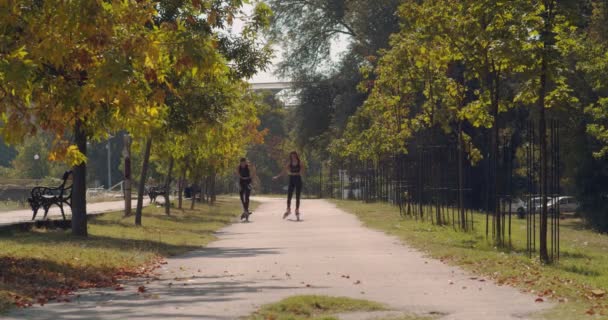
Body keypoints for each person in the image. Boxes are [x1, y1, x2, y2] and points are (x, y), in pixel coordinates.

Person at [273, 151, 304, 220]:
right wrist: (277, 176)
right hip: (291, 180)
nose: (293, 157)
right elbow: (284, 171)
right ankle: (288, 209)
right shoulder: (289, 163)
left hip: (298, 180)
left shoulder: (300, 163)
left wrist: (295, 173)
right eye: (291, 156)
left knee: (297, 196)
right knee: (289, 196)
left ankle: (297, 210)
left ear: (296, 156)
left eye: (294, 155)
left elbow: (301, 171)